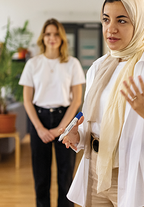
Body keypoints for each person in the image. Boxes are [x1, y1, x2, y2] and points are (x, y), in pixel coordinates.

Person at [61, 0, 144, 207]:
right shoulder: (98, 68)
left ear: (139, 23)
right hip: (96, 172)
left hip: (138, 173)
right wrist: (77, 135)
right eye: (106, 20)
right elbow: (95, 124)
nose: (111, 28)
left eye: (122, 20)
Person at [19, 18, 86, 207]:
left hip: (65, 118)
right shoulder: (33, 64)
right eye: (48, 34)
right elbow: (27, 100)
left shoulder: (72, 64)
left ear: (62, 38)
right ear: (43, 37)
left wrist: (62, 128)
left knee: (66, 176)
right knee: (41, 176)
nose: (52, 38)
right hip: (38, 118)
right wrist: (39, 128)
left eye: (56, 34)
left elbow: (77, 100)